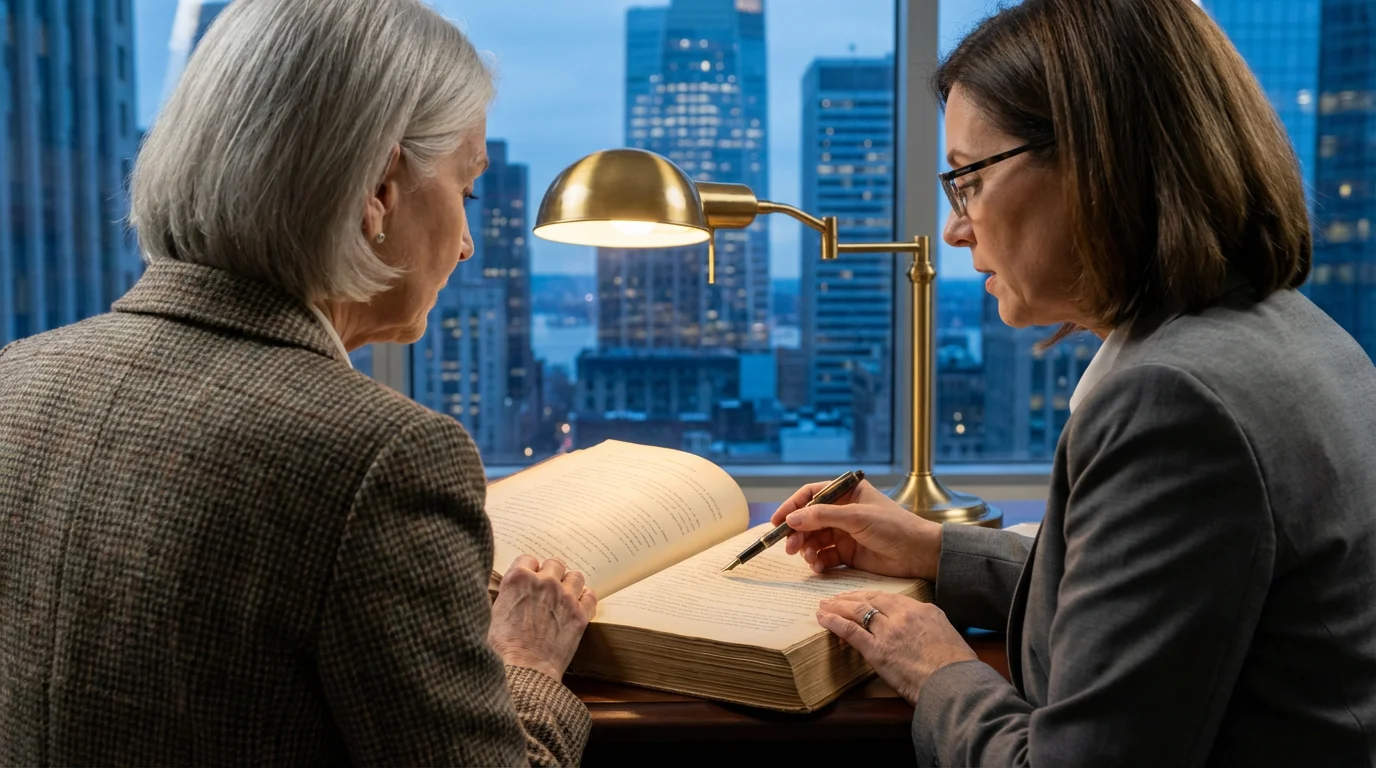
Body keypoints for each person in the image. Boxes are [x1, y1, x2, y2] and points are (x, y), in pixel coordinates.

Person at [773, 0, 1376, 764]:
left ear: (1097, 161)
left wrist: (939, 670)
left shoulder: (1176, 401)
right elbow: (1164, 596)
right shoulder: (1290, 335)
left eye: (968, 179)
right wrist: (932, 549)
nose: (957, 227)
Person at [0, 1, 596, 764]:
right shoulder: (381, 457)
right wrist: (526, 665)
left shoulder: (20, 376)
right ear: (381, 185)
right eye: (467, 189)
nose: (470, 242)